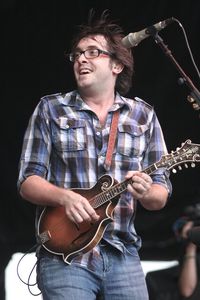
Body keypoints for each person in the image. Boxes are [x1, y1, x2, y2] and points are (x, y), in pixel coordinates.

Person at [17, 9, 172, 300]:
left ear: (117, 65)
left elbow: (159, 195)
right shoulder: (51, 109)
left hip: (123, 253)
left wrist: (145, 190)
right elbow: (27, 181)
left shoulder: (143, 115)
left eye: (92, 52)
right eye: (76, 54)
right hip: (66, 252)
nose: (81, 59)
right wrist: (66, 197)